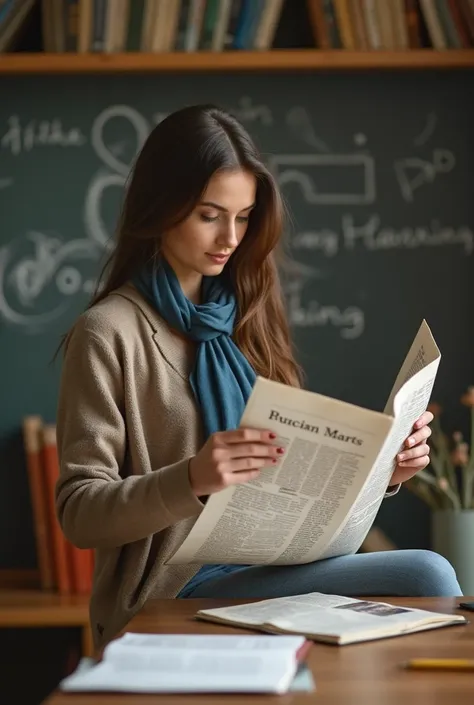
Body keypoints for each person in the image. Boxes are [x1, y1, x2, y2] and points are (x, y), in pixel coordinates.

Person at [55, 104, 462, 650]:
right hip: (178, 584)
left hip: (269, 563)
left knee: (426, 577)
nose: (229, 236)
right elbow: (79, 513)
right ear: (161, 207)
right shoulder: (108, 332)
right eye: (209, 214)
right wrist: (193, 478)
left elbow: (288, 474)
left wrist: (384, 471)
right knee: (429, 576)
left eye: (244, 216)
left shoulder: (246, 311)